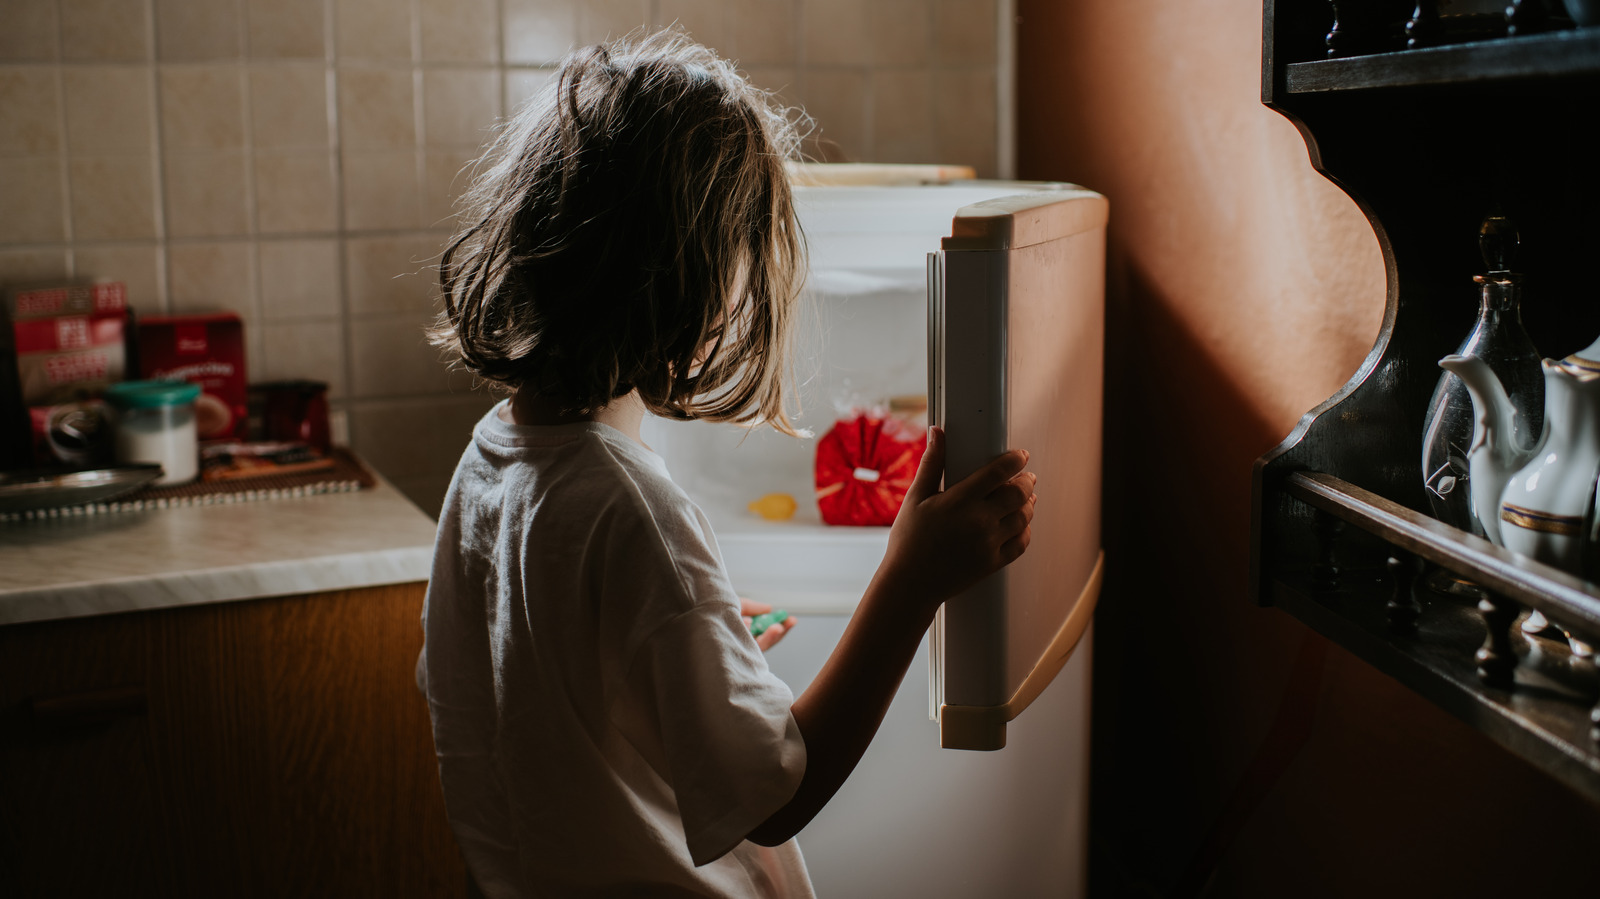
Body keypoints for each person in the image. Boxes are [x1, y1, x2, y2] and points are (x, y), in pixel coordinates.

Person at [418, 30, 1036, 899]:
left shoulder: (487, 460)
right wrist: (911, 577)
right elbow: (776, 794)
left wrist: (674, 644)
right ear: (687, 277)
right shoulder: (632, 508)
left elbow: (531, 682)